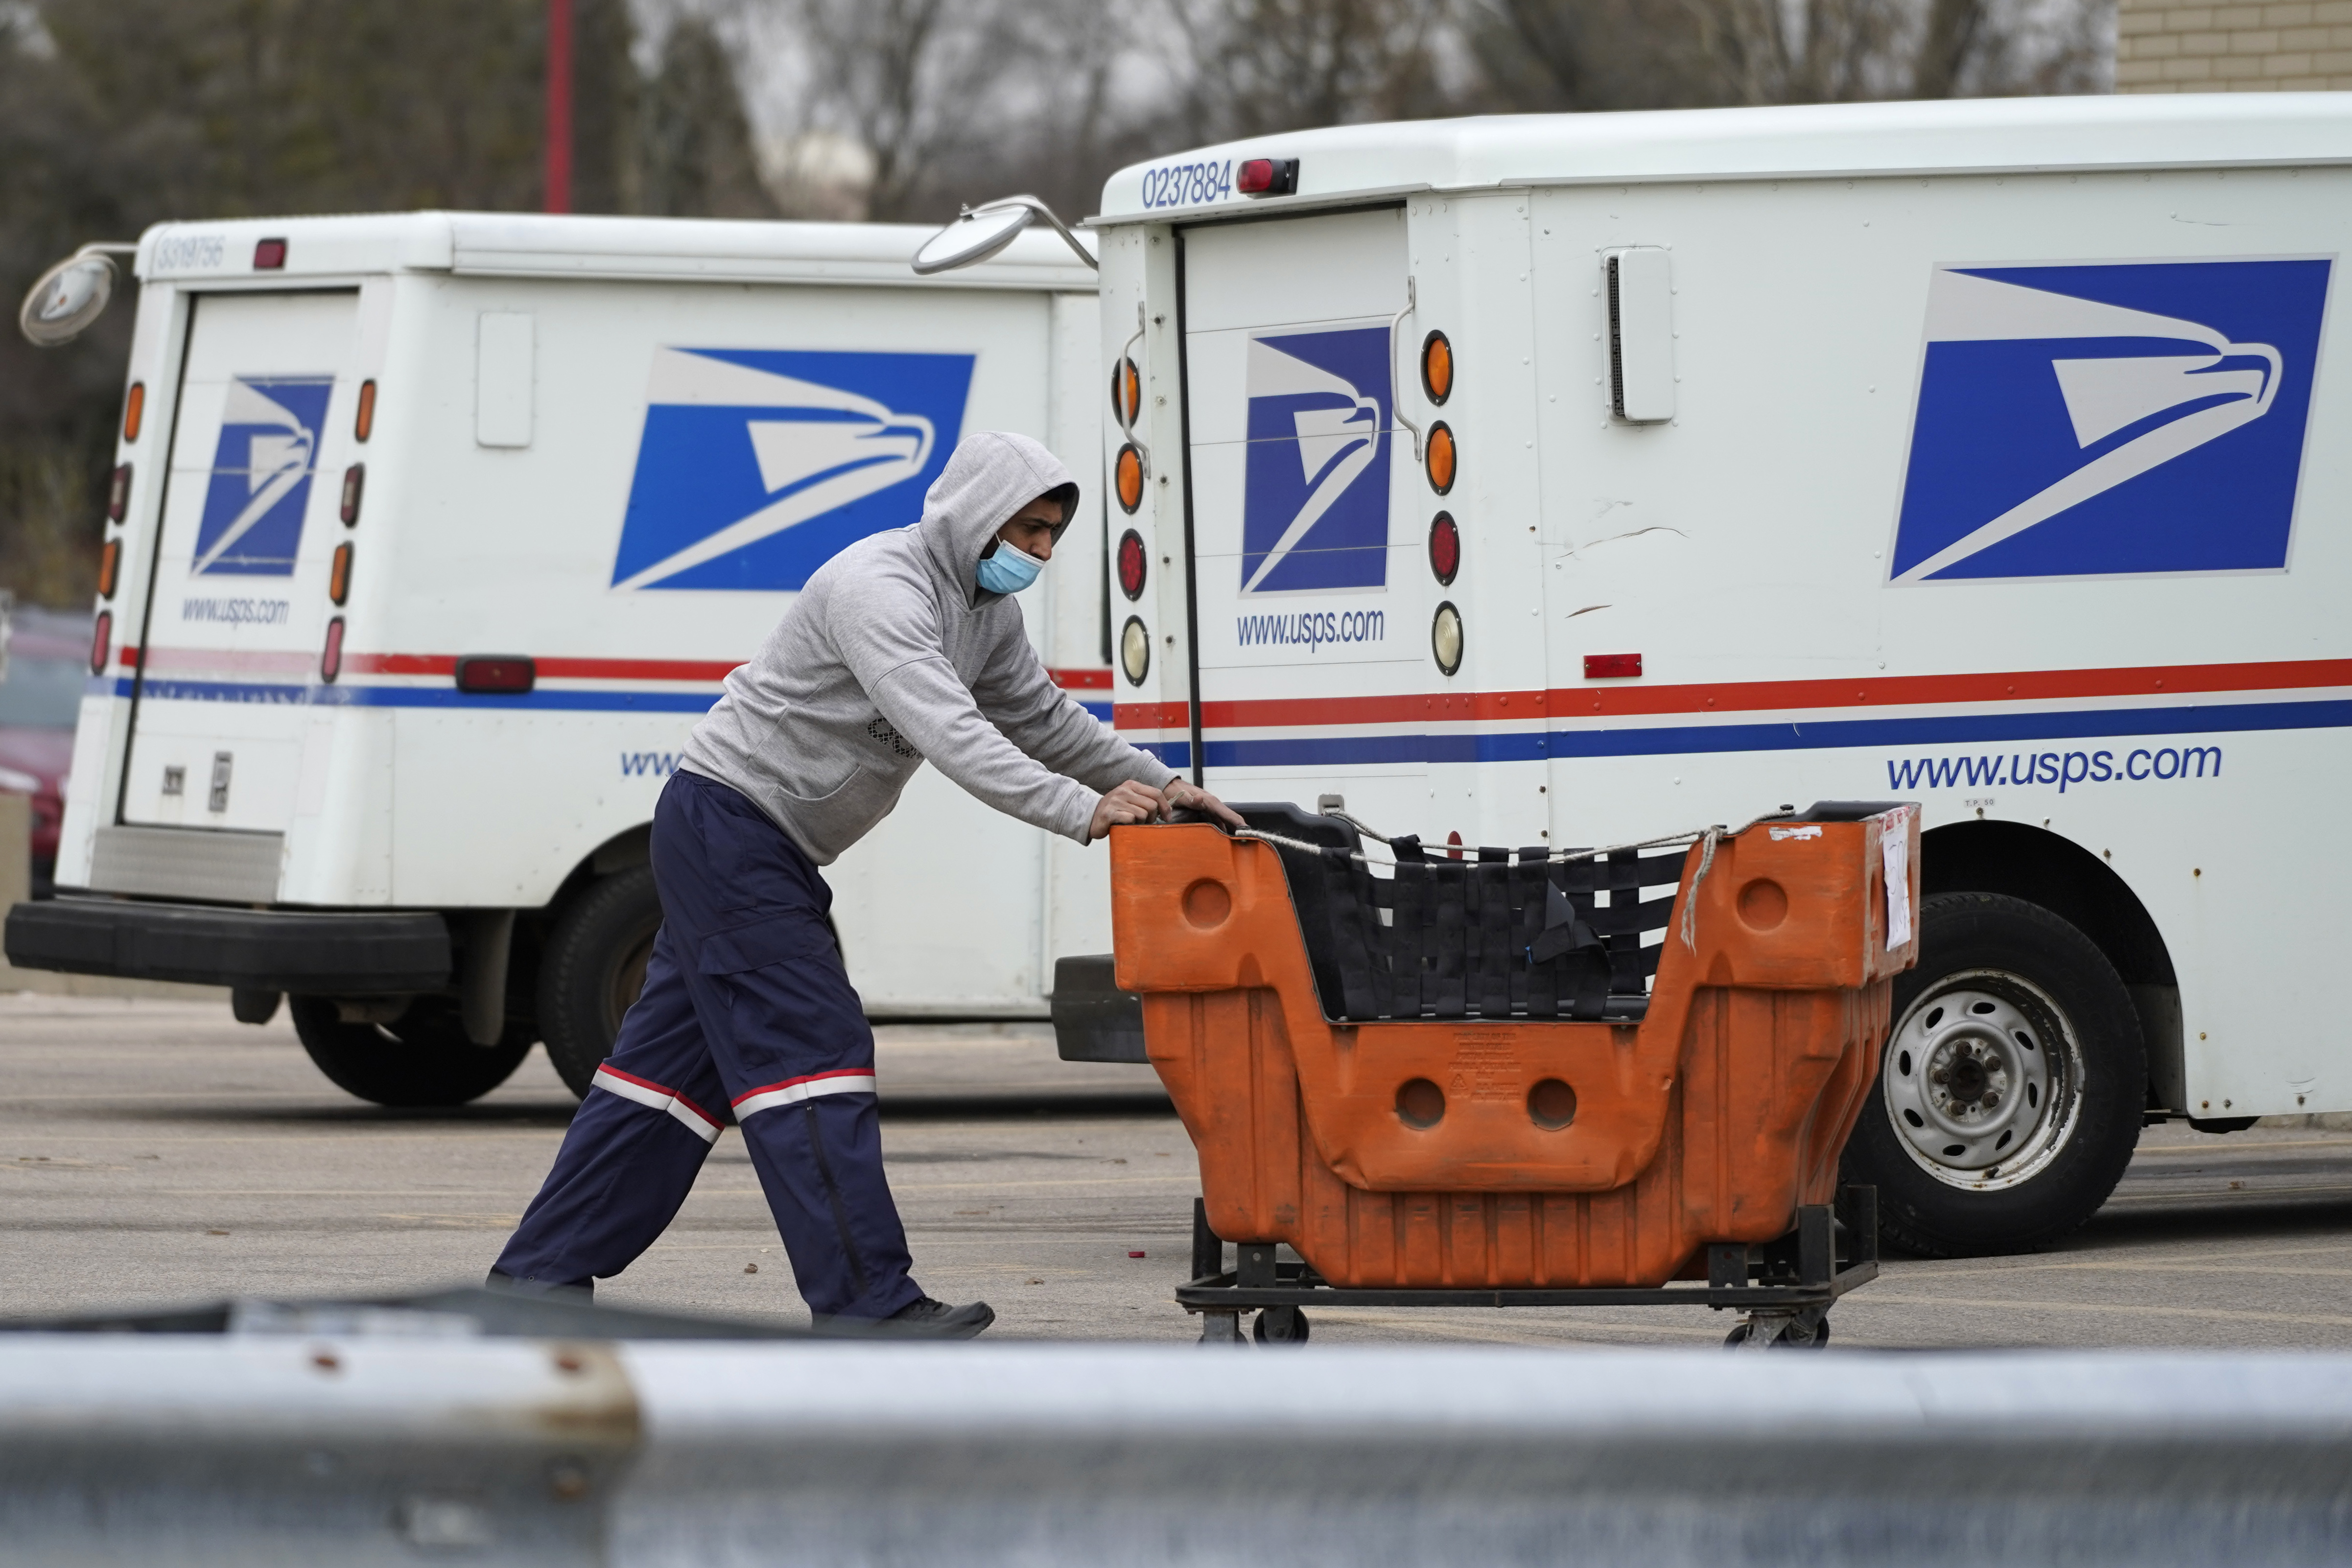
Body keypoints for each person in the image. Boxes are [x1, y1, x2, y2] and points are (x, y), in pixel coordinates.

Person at [488, 431, 1242, 1336]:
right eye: (1029, 530)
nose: (1040, 553)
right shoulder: (878, 589)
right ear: (974, 515)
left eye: (1052, 536)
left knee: (664, 1087)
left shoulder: (983, 610)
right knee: (814, 1054)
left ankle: (535, 1281)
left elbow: (1042, 718)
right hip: (730, 827)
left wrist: (1160, 784)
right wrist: (1080, 813)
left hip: (755, 842)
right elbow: (951, 731)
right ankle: (866, 1305)